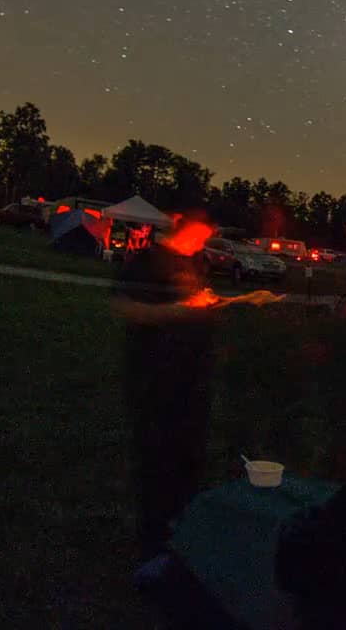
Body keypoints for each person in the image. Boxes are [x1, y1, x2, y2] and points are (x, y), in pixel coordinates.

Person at [113, 217, 218, 559]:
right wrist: (180, 311)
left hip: (192, 383)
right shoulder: (148, 261)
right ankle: (152, 540)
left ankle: (182, 530)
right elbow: (125, 307)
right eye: (200, 234)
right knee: (156, 461)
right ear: (182, 227)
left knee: (188, 460)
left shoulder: (195, 262)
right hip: (155, 381)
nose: (204, 241)